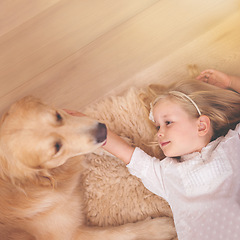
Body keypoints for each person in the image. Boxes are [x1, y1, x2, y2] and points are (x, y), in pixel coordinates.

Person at [69, 69, 240, 239]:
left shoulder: (231, 146)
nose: (159, 133)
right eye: (158, 126)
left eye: (168, 122)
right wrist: (88, 126)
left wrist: (230, 81)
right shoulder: (167, 174)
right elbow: (128, 154)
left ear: (201, 126)